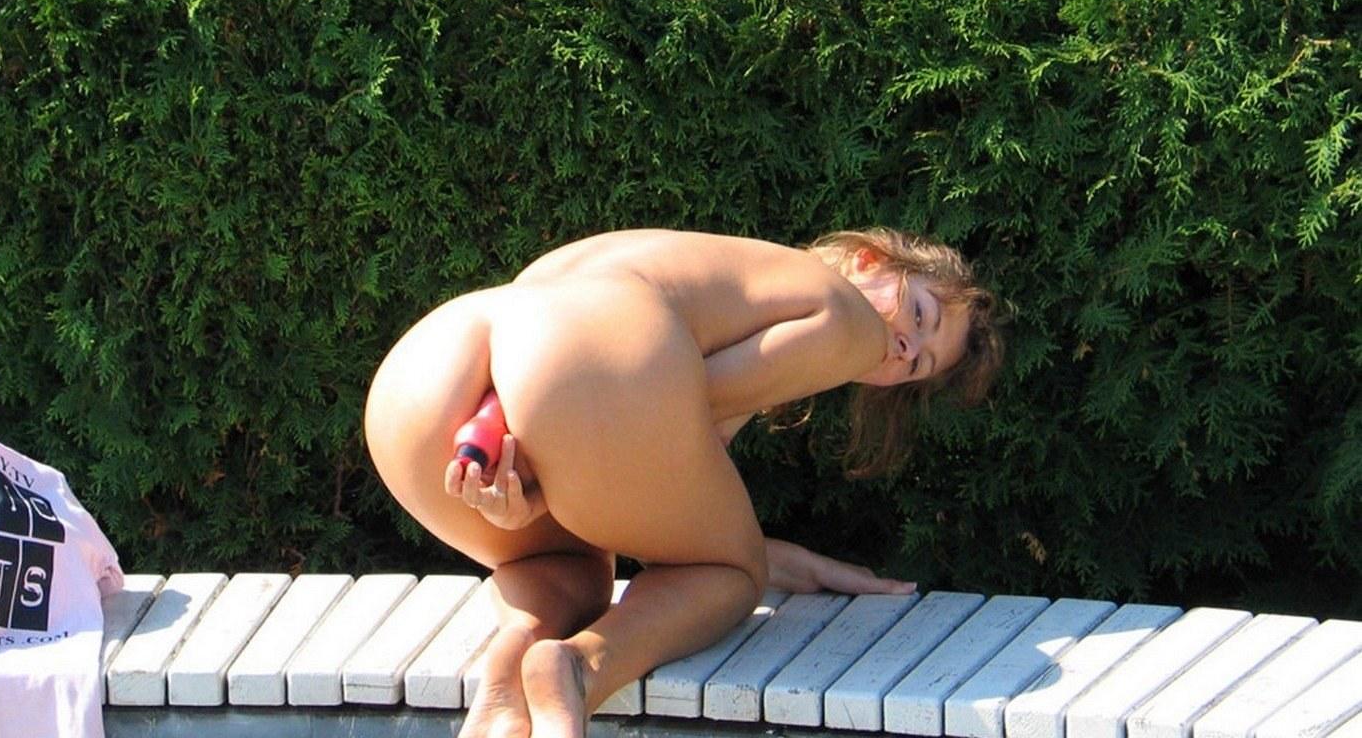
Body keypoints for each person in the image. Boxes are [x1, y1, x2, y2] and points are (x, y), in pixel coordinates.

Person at [364, 227, 1002, 738]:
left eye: (917, 364)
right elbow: (650, 413)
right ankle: (579, 668)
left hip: (429, 377)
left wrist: (527, 498)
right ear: (869, 260)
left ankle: (516, 652)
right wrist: (752, 562)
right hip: (579, 363)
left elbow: (619, 447)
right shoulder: (847, 319)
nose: (901, 347)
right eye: (919, 313)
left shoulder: (708, 273)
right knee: (734, 576)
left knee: (571, 567)